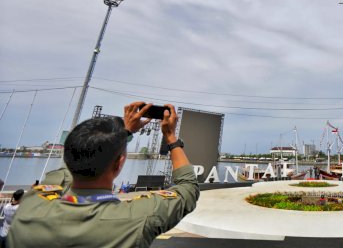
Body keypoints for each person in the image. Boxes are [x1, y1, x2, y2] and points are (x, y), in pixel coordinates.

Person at [8, 102, 200, 248]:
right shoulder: (138, 218)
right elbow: (188, 188)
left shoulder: (31, 205)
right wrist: (171, 137)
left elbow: (64, 172)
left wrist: (123, 133)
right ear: (119, 163)